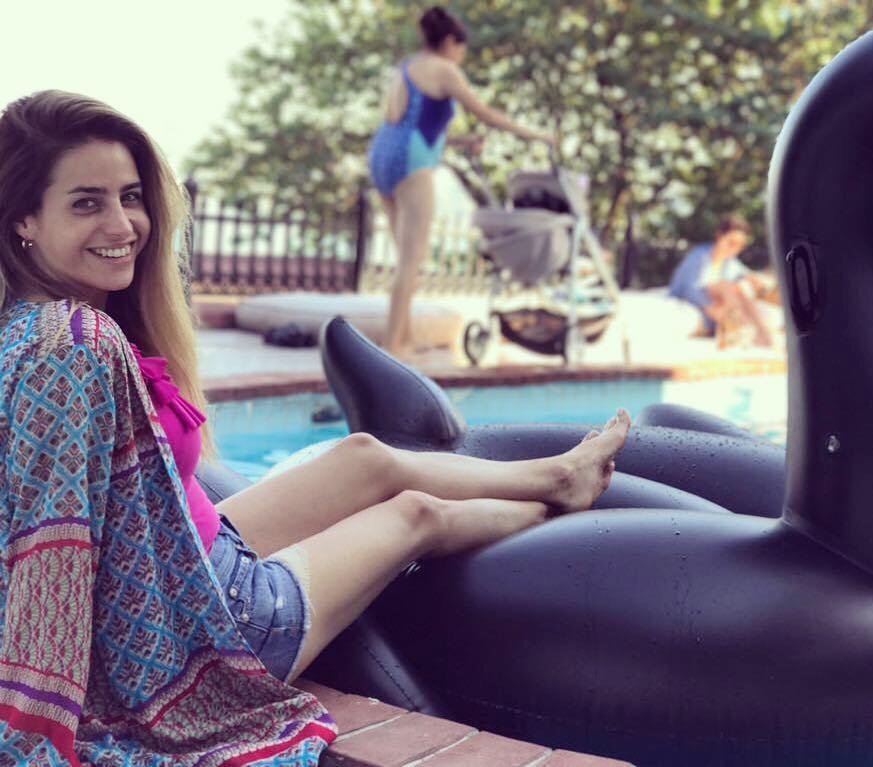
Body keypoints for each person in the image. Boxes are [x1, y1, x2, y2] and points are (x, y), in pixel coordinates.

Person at [0, 91, 629, 765]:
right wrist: (35, 724)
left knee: (363, 455)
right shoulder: (73, 345)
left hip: (184, 559)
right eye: (86, 203)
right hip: (218, 624)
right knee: (415, 513)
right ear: (23, 220)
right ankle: (557, 504)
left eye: (130, 196)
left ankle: (555, 474)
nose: (123, 223)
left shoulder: (37, 324)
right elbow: (50, 548)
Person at [368, 6, 555, 358]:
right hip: (411, 162)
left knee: (404, 259)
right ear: (451, 42)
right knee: (411, 260)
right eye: (461, 49)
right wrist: (538, 135)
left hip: (382, 155)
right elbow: (485, 113)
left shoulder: (406, 68)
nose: (461, 57)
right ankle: (392, 349)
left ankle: (404, 341)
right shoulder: (444, 69)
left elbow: (405, 123)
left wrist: (460, 142)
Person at [668, 214, 773, 347]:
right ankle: (742, 331)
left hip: (721, 312)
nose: (734, 248)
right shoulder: (699, 256)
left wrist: (757, 282)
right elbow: (690, 290)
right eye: (731, 242)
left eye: (740, 245)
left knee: (741, 287)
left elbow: (748, 275)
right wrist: (713, 311)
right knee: (726, 286)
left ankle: (763, 334)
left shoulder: (729, 262)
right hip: (698, 306)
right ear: (719, 236)